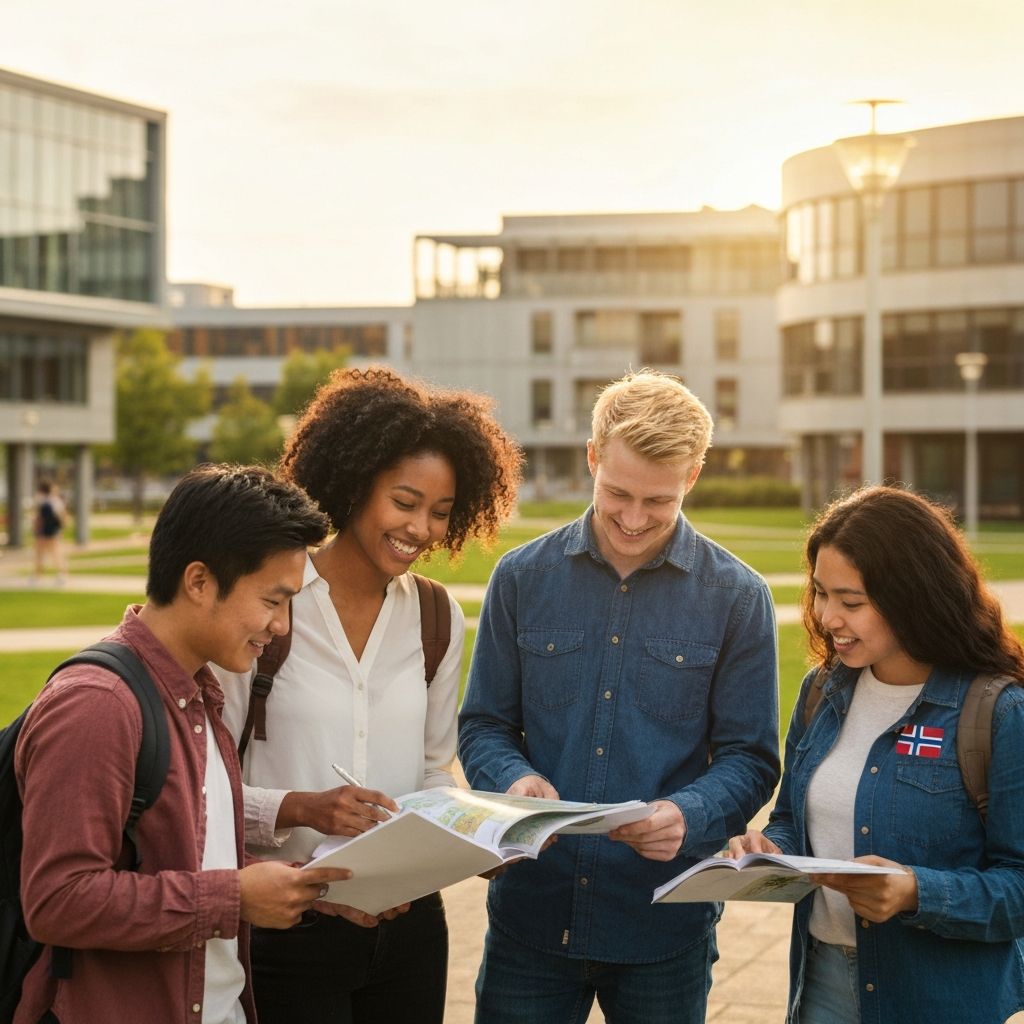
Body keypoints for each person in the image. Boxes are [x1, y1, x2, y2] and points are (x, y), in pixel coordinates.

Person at [458, 369, 780, 1023]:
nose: (634, 519)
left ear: (692, 477)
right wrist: (512, 779)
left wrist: (688, 813)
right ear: (592, 457)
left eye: (658, 502)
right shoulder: (520, 579)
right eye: (617, 494)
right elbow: (484, 725)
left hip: (662, 927)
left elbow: (750, 757)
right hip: (532, 920)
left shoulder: (739, 598)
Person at [216, 366, 521, 1024]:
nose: (422, 528)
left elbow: (434, 772)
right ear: (355, 486)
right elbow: (209, 789)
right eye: (404, 502)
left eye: (441, 512)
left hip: (409, 932)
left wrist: (482, 836)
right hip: (288, 927)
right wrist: (302, 808)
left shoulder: (438, 619)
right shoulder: (274, 605)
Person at [14, 464, 353, 1024]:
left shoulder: (199, 692)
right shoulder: (97, 706)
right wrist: (234, 899)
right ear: (199, 581)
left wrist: (303, 888)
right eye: (273, 601)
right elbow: (57, 901)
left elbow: (188, 843)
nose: (283, 626)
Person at [728, 485, 1024, 1024]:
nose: (827, 617)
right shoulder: (822, 691)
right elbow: (794, 819)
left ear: (914, 596)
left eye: (852, 602)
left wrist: (917, 892)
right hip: (821, 986)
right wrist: (770, 848)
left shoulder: (998, 712)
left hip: (939, 1000)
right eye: (820, 593)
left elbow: (1018, 885)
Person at [31, 480, 67, 584]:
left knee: (42, 554)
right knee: (55, 553)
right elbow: (62, 517)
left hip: (44, 532)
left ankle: (38, 575)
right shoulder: (55, 501)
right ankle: (60, 574)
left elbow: (38, 518)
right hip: (52, 531)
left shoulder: (42, 501)